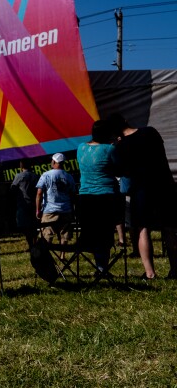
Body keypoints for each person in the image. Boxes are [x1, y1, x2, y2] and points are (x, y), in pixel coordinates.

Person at [111, 114, 177, 280]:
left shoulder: (121, 146)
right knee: (169, 228)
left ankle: (150, 272)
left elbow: (120, 171)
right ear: (125, 120)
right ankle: (175, 269)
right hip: (164, 185)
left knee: (142, 229)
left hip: (141, 189)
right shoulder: (150, 132)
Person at [76, 121, 121, 273]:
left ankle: (99, 265)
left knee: (92, 232)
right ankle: (102, 266)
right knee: (105, 233)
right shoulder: (109, 149)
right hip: (105, 196)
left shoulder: (81, 147)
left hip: (85, 197)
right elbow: (119, 169)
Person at [35, 153, 75, 248]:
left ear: (53, 162)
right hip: (65, 209)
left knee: (47, 233)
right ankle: (62, 255)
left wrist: (38, 210)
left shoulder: (46, 175)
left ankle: (46, 254)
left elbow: (39, 193)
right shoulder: (69, 176)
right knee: (64, 234)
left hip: (49, 210)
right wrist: (72, 209)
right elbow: (73, 194)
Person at [10, 160, 39, 251]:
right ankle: (34, 243)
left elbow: (13, 189)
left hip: (23, 204)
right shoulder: (36, 176)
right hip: (34, 204)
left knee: (25, 226)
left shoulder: (18, 176)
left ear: (21, 167)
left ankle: (31, 244)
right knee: (34, 225)